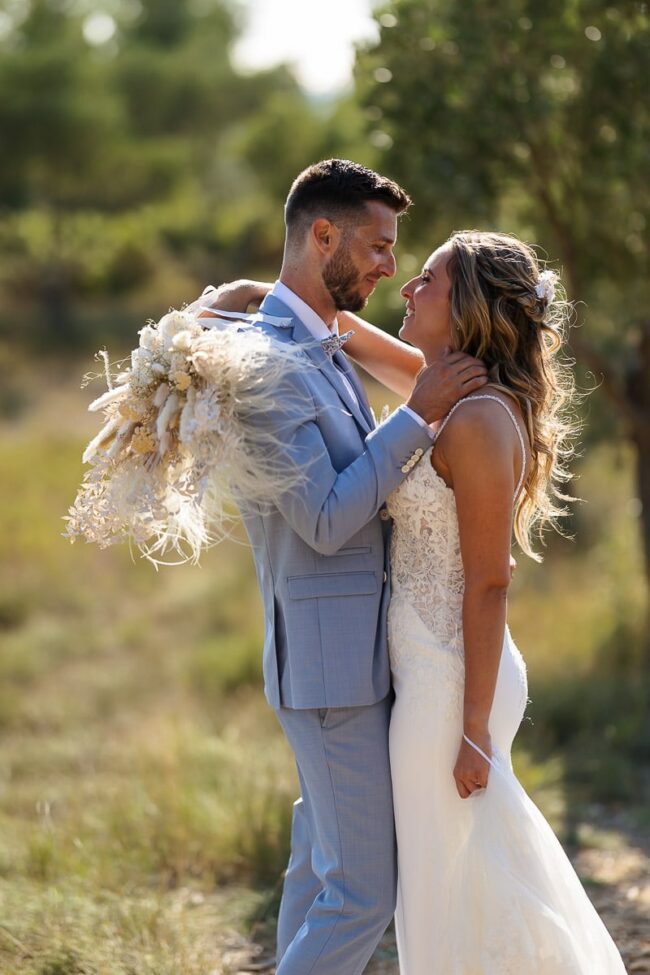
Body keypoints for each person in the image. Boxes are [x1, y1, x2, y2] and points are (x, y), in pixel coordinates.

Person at [218, 229, 626, 972]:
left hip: (449, 684)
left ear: (466, 307)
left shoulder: (475, 418)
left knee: (442, 891)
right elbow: (362, 345)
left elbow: (490, 582)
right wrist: (267, 299)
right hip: (430, 675)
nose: (407, 285)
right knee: (452, 884)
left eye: (429, 278)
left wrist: (472, 728)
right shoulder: (452, 393)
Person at [201, 159, 488, 975]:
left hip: (356, 660)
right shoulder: (266, 360)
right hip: (330, 672)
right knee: (362, 891)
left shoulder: (316, 339)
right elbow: (326, 519)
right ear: (322, 235)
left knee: (320, 866)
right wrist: (417, 417)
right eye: (378, 246)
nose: (390, 267)